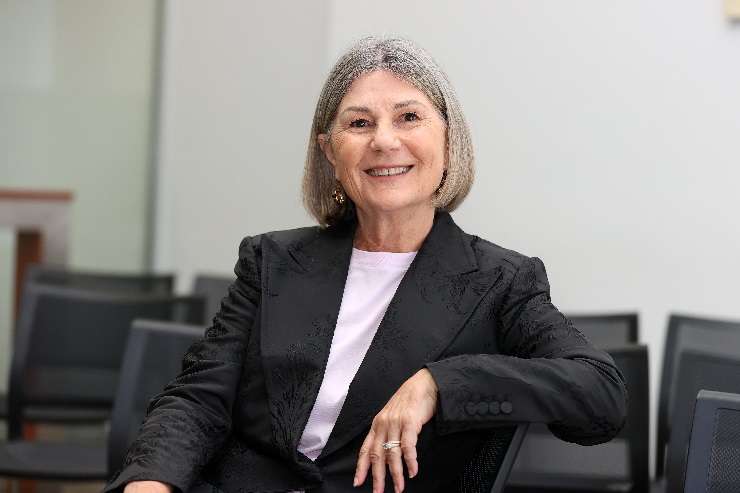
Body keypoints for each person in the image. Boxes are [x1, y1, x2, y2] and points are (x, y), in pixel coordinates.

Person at [106, 37, 627, 493]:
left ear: (448, 142)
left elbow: (600, 396)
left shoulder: (501, 281)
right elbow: (199, 398)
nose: (383, 140)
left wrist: (441, 383)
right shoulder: (271, 262)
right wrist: (153, 480)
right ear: (330, 152)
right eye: (359, 123)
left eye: (409, 117)